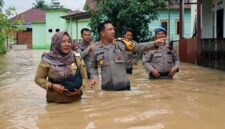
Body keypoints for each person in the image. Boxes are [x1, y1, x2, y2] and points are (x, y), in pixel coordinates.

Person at [89, 20, 166, 91]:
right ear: (102, 33)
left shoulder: (121, 43)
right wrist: (94, 78)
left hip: (124, 87)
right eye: (110, 30)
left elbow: (138, 47)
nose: (113, 31)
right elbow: (92, 67)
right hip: (107, 88)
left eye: (113, 29)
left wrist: (154, 43)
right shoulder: (95, 49)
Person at [35, 32, 88, 103]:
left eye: (69, 41)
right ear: (56, 43)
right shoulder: (47, 60)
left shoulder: (77, 57)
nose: (67, 44)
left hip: (76, 102)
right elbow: (38, 78)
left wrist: (80, 91)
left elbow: (84, 77)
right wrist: (52, 86)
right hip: (55, 103)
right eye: (63, 42)